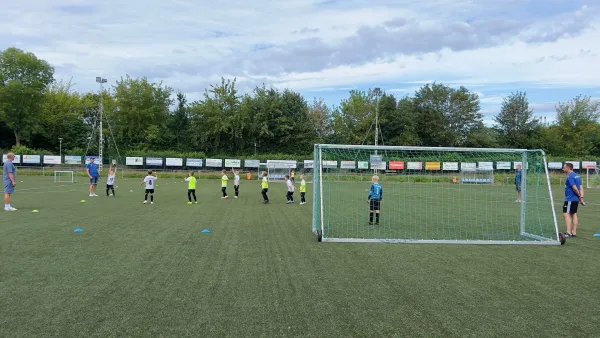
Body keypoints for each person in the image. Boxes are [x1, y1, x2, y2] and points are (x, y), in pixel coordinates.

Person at [562, 163, 584, 237]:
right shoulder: (577, 176)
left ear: (568, 168)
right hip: (575, 200)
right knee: (573, 214)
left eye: (564, 167)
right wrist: (581, 197)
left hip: (570, 199)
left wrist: (579, 196)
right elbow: (581, 188)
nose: (563, 169)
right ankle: (574, 232)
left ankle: (568, 232)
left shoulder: (570, 177)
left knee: (566, 214)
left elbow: (574, 188)